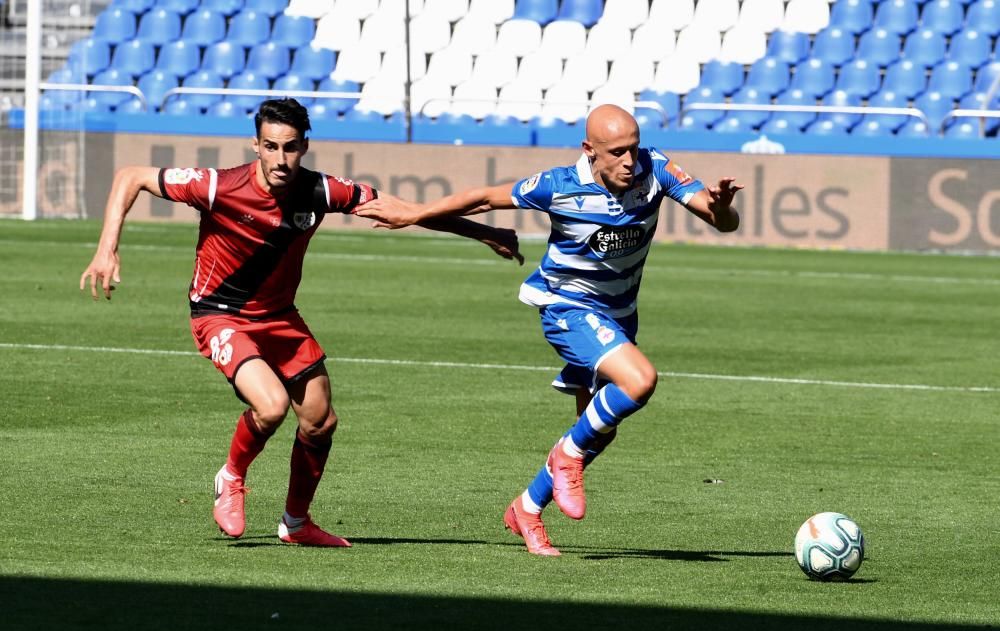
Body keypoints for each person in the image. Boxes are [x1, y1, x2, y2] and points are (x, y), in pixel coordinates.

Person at [80, 98, 522, 548]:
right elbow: (129, 176)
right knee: (270, 407)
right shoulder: (216, 186)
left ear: (304, 146)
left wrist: (483, 233)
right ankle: (231, 476)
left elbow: (405, 211)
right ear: (255, 145)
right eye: (270, 146)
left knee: (319, 419)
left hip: (279, 317)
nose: (280, 159)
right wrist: (106, 248)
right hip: (220, 315)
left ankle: (295, 523)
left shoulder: (321, 191)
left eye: (290, 148)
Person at [356, 104, 743, 556]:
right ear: (589, 150)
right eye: (616, 152)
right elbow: (482, 197)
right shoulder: (558, 185)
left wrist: (721, 209)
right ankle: (567, 456)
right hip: (568, 308)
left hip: (619, 314)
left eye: (633, 149)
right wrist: (414, 214)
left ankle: (526, 507)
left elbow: (723, 222)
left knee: (599, 426)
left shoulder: (655, 169)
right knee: (639, 381)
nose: (628, 161)